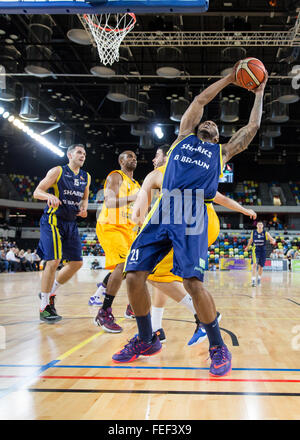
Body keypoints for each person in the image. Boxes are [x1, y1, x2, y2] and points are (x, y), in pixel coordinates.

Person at [112, 63, 267, 377]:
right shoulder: (182, 137)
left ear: (217, 135)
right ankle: (146, 339)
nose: (208, 121)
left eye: (214, 123)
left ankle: (217, 345)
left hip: (193, 211)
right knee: (133, 275)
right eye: (205, 120)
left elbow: (251, 129)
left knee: (192, 283)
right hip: (165, 209)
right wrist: (228, 78)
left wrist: (260, 92)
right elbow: (198, 102)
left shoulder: (221, 153)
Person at [136, 145, 257, 346]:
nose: (154, 159)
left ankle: (201, 316)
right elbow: (220, 197)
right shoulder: (191, 173)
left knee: (149, 271)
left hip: (192, 224)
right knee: (162, 277)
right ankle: (157, 328)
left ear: (169, 156)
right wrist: (243, 210)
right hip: (207, 223)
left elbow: (139, 213)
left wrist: (139, 221)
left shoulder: (162, 174)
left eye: (157, 155)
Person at [33, 144, 91, 323]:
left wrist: (84, 208)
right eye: (79, 152)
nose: (82, 155)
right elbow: (37, 192)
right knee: (54, 260)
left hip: (71, 222)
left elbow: (85, 197)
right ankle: (44, 306)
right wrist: (48, 196)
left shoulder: (86, 177)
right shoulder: (58, 171)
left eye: (84, 153)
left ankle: (51, 292)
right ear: (70, 154)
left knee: (77, 263)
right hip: (53, 220)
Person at [92, 151, 140, 331]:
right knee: (122, 264)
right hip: (111, 225)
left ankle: (131, 308)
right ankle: (104, 312)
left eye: (135, 156)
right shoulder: (115, 176)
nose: (133, 158)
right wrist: (133, 198)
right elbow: (110, 202)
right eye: (129, 156)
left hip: (129, 229)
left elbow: (137, 211)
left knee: (136, 268)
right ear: (121, 161)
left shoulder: (136, 184)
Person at [245, 221, 276, 286]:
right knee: (254, 264)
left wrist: (273, 241)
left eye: (261, 224)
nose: (259, 225)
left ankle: (259, 279)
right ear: (256, 226)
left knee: (261, 266)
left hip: (262, 250)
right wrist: (247, 247)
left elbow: (272, 239)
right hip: (255, 249)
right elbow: (251, 240)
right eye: (258, 224)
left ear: (262, 226)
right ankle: (253, 281)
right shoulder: (253, 232)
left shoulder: (265, 233)